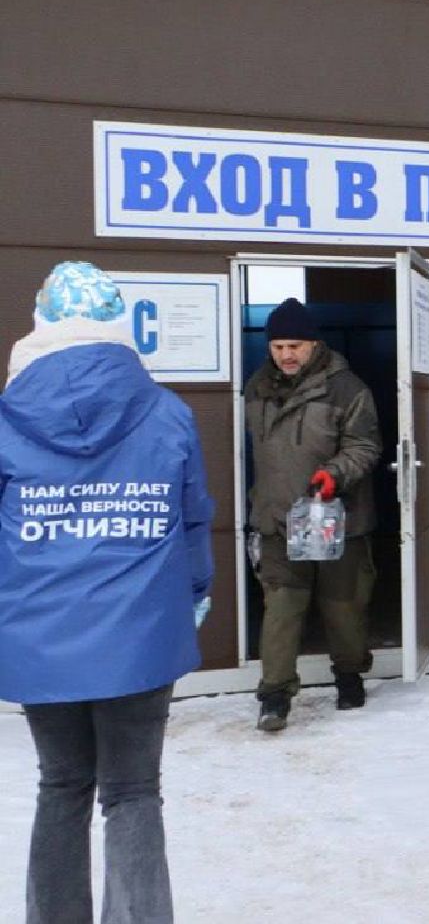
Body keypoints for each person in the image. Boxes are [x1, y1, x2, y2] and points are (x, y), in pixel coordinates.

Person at [0, 262, 214, 924]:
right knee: (133, 792)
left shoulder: (8, 420)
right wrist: (193, 597)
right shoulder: (168, 413)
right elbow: (192, 522)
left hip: (39, 640)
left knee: (61, 784)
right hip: (142, 634)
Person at [245, 297, 381, 731]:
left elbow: (365, 446)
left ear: (314, 345)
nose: (286, 354)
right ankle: (275, 696)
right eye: (279, 346)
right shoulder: (256, 388)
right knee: (281, 607)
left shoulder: (347, 388)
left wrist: (334, 474)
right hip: (278, 518)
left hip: (335, 516)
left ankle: (349, 676)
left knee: (343, 606)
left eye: (296, 346)